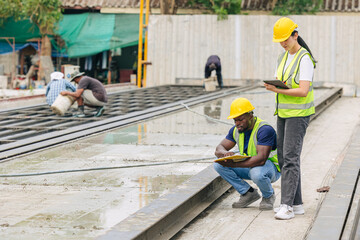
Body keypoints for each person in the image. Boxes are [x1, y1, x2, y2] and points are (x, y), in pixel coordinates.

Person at [264, 17, 316, 220]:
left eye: (286, 39)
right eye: (280, 40)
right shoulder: (283, 57)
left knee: (291, 159)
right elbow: (286, 84)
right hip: (284, 113)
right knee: (285, 158)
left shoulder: (305, 59)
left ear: (295, 35)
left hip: (299, 114)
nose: (283, 43)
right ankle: (297, 203)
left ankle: (286, 205)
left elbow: (303, 91)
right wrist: (276, 87)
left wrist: (277, 89)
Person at [213, 98, 280, 210]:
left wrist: (234, 164)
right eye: (235, 120)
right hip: (250, 165)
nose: (237, 123)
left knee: (256, 173)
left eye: (241, 119)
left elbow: (261, 159)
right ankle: (248, 193)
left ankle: (268, 196)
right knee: (218, 165)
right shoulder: (236, 129)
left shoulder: (264, 129)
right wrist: (225, 154)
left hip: (270, 169)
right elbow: (219, 148)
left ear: (250, 116)